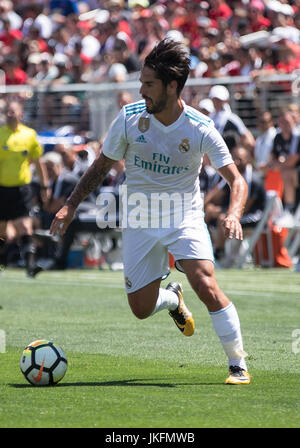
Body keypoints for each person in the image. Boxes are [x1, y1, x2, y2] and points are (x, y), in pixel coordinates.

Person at [50, 38, 251, 385]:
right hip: (140, 219)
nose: (141, 90)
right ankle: (172, 299)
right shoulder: (129, 119)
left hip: (183, 216)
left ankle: (237, 364)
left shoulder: (200, 127)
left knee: (204, 279)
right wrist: (70, 204)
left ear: (172, 87)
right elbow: (100, 167)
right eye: (141, 82)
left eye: (148, 84)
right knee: (141, 309)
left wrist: (233, 213)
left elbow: (237, 179)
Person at [0, 100, 50, 276]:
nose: (9, 114)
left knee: (25, 227)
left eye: (13, 111)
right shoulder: (0, 134)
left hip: (22, 189)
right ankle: (3, 261)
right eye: (7, 111)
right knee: (5, 234)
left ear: (21, 113)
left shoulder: (29, 135)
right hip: (2, 189)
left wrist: (45, 186)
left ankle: (30, 266)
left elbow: (38, 163)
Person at [205, 145, 266, 265]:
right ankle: (207, 250)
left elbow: (245, 207)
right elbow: (215, 198)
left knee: (223, 218)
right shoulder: (228, 178)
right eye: (234, 159)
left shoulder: (253, 179)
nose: (236, 162)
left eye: (240, 159)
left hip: (253, 216)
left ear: (248, 160)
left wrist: (220, 211)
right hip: (233, 211)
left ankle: (219, 253)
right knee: (207, 212)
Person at [209, 84, 255, 153]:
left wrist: (240, 154)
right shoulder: (210, 117)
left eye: (220, 100)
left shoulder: (232, 118)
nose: (217, 102)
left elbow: (249, 141)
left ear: (226, 101)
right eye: (215, 99)